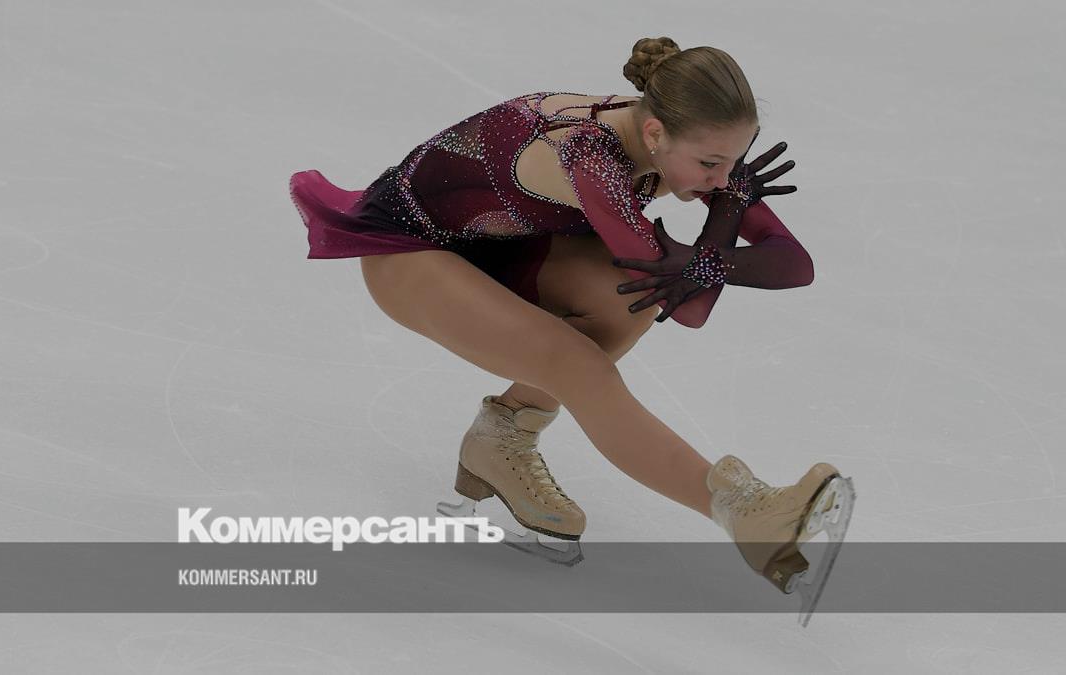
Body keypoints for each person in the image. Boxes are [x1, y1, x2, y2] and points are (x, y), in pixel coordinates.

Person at [289, 37, 855, 619]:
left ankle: (502, 438)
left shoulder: (681, 136)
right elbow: (688, 305)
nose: (723, 177)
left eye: (734, 161)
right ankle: (743, 513)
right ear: (655, 133)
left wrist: (717, 216)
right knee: (581, 365)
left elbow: (795, 264)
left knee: (630, 299)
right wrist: (727, 215)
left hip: (505, 243)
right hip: (408, 250)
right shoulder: (591, 159)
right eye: (712, 165)